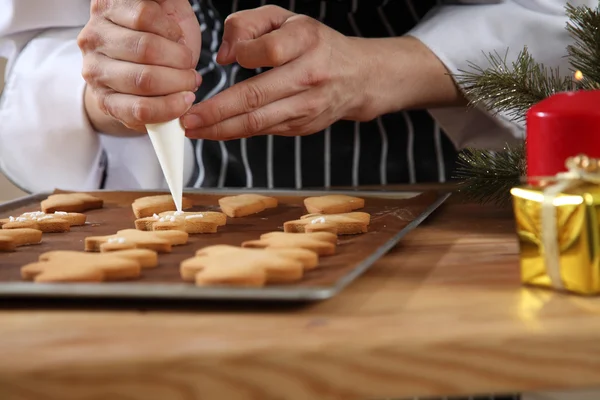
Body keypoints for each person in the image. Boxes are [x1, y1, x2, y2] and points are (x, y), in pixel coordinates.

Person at [3, 0, 584, 194]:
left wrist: (387, 68)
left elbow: (579, 23)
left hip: (445, 201)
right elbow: (42, 36)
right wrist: (117, 88)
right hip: (199, 206)